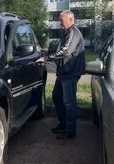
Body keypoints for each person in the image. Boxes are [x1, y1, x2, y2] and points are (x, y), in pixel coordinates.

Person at [36, 10, 86, 139]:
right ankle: (63, 124)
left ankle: (70, 130)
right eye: (59, 20)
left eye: (61, 20)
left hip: (70, 73)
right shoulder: (66, 33)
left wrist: (47, 58)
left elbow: (66, 51)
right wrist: (46, 51)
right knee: (57, 97)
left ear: (70, 19)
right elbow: (59, 49)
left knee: (69, 102)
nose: (59, 23)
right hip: (63, 72)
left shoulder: (74, 33)